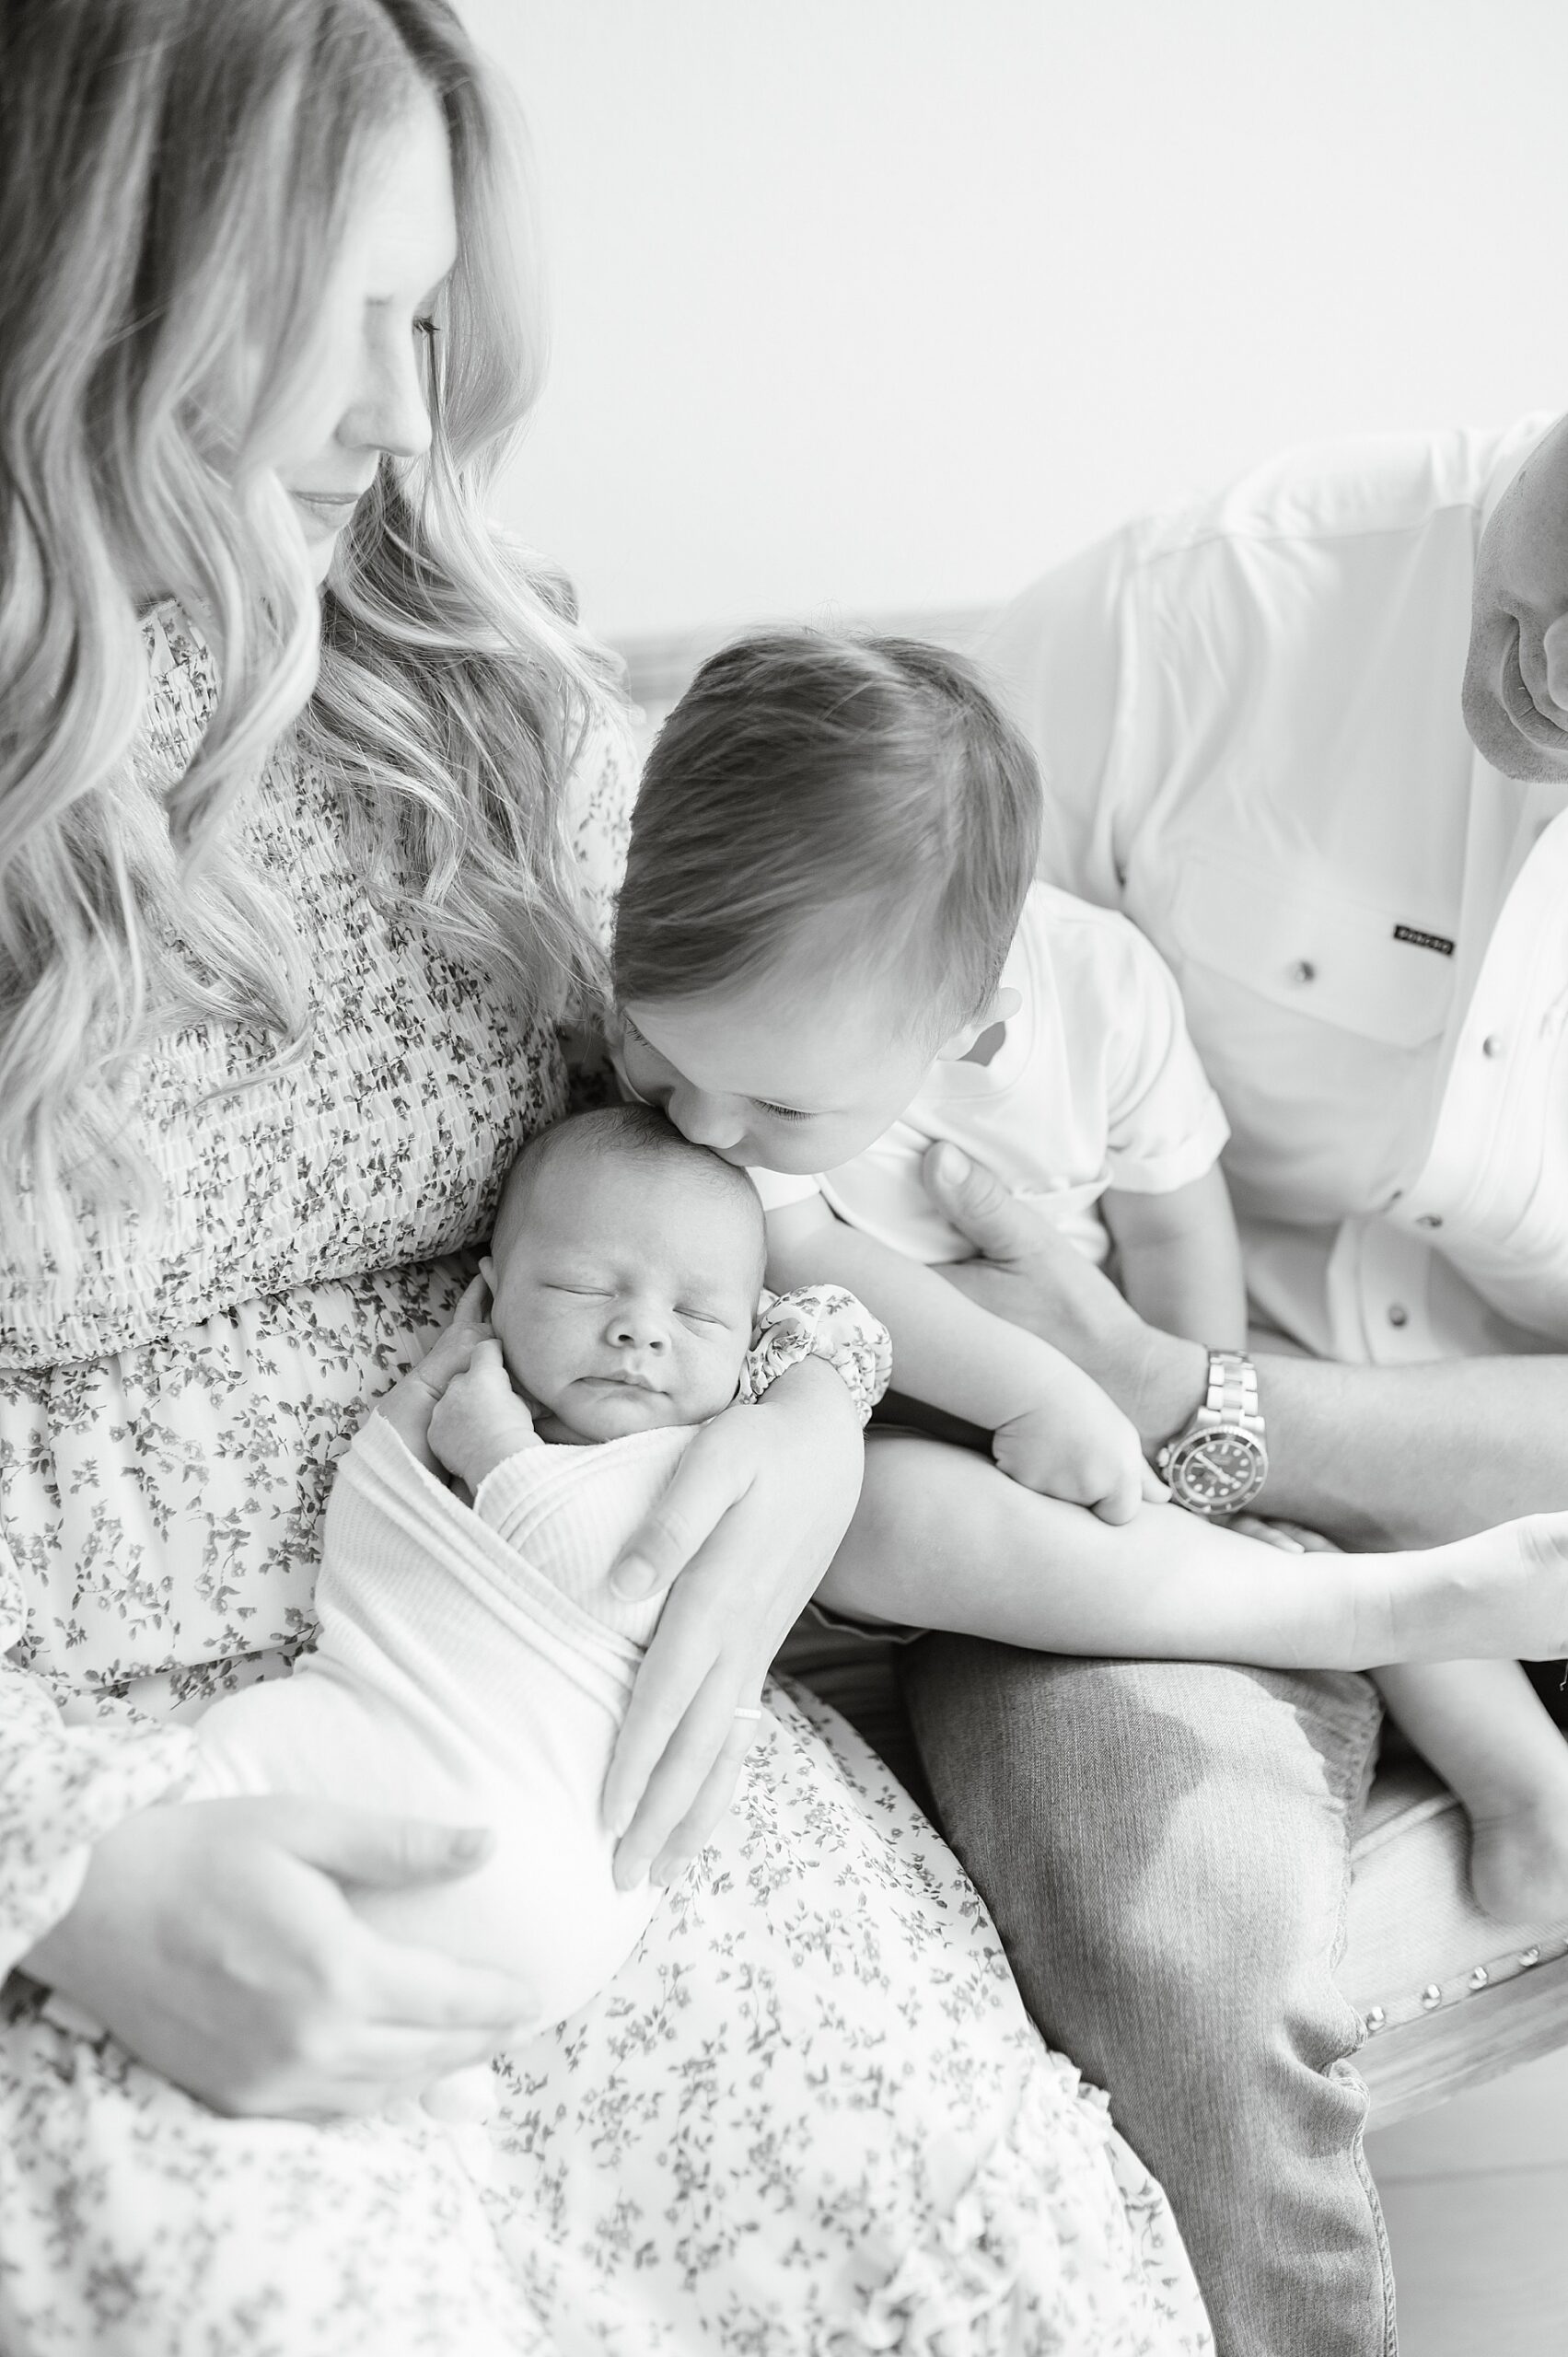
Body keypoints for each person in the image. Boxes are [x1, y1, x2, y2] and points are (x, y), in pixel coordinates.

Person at [0, 6, 1214, 2350]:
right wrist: (63, 1871)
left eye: (427, 313)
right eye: (328, 309)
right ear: (99, 278)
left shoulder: (471, 685)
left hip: (582, 1658)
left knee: (967, 2248)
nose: (400, 400)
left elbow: (744, 1150)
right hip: (131, 1756)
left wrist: (796, 1409)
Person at [873, 412, 1568, 2357]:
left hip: (1428, 1459)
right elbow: (818, 955)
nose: (1536, 679)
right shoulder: (1191, 628)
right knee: (1173, 1925)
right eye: (1540, 593)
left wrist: (1197, 1389)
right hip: (1111, 1494)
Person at [610, 624, 1568, 1677]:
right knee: (886, 1519)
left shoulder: (1104, 994)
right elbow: (802, 1255)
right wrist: (1034, 1391)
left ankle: (1500, 1758)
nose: (698, 1127)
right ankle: (1344, 1620)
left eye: (777, 1110)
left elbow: (1173, 1223)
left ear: (964, 1023)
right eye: (650, 1044)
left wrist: (1178, 1443)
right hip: (882, 1424)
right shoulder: (761, 1033)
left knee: (1335, 1535)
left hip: (1096, 1403)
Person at [189, 1108, 889, 2088]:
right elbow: (365, 1546)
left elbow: (617, 1586)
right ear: (489, 1295)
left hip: (549, 1855)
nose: (639, 1326)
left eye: (696, 1316)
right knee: (218, 1762)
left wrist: (499, 1458)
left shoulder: (699, 1456)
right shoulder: (448, 1420)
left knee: (216, 1774)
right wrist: (411, 1452)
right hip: (396, 1725)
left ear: (749, 1343)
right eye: (580, 1285)